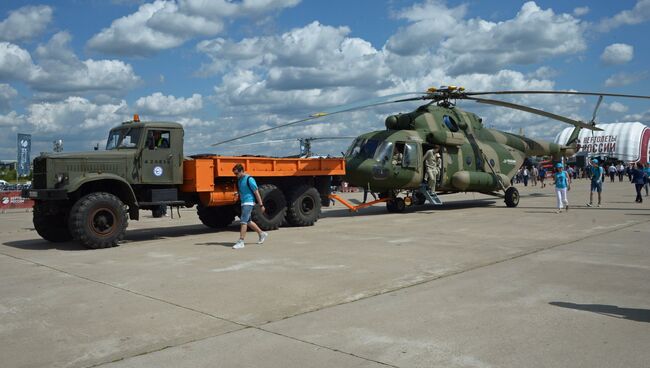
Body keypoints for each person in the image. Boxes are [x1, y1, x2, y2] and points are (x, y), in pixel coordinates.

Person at [232, 163, 268, 249]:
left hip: (249, 202)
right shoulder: (240, 180)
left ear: (242, 171)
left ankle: (241, 241)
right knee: (248, 221)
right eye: (234, 174)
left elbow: (256, 192)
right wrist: (238, 193)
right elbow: (244, 190)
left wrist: (261, 204)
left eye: (237, 173)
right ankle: (261, 233)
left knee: (243, 221)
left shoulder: (249, 179)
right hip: (243, 202)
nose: (236, 175)